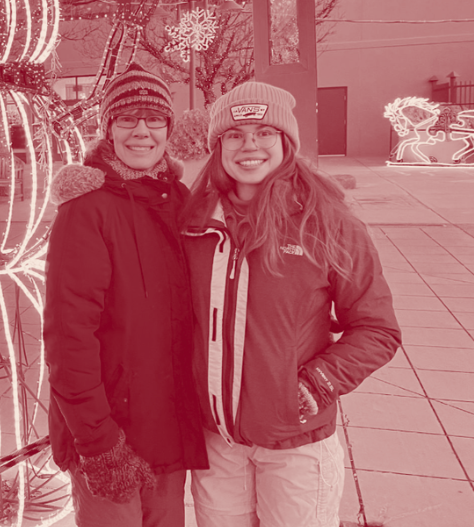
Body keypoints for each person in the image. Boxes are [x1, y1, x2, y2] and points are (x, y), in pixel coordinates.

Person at [183, 81, 402, 527]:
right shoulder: (193, 225)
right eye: (234, 134)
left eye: (264, 132)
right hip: (217, 440)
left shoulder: (329, 223)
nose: (250, 146)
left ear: (286, 141)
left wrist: (315, 383)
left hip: (296, 444)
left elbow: (377, 329)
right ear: (218, 145)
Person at [43, 63, 209, 527]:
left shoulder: (178, 199)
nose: (142, 131)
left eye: (154, 119)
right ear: (108, 128)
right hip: (112, 432)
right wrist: (98, 444)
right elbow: (67, 336)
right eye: (127, 119)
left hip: (169, 427)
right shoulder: (87, 210)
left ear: (169, 129)